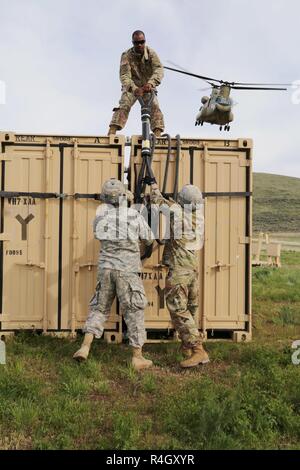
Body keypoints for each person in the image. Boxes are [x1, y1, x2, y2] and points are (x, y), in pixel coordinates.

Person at [73, 178, 154, 371]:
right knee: (134, 311)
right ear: (123, 196)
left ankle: (84, 347)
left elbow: (99, 236)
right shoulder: (133, 215)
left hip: (106, 270)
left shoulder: (100, 218)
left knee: (99, 308)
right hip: (127, 271)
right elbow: (150, 239)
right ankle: (137, 357)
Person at [150, 184, 210, 368]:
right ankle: (187, 347)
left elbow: (158, 202)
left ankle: (198, 350)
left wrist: (154, 189)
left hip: (180, 270)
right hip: (192, 268)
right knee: (190, 308)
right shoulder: (198, 215)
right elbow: (173, 207)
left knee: (177, 307)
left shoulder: (178, 213)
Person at [108, 30, 165, 137]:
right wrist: (134, 88)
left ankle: (158, 135)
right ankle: (111, 132)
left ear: (145, 41)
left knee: (155, 106)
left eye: (142, 42)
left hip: (147, 86)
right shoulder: (126, 55)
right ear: (133, 43)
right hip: (132, 87)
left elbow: (159, 70)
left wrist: (151, 84)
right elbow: (124, 75)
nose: (139, 45)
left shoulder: (151, 53)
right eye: (136, 43)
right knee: (124, 105)